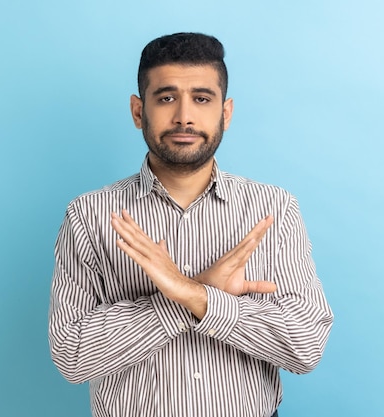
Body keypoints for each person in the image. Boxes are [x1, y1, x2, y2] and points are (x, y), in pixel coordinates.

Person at [48, 32, 333, 417]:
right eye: (166, 98)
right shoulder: (89, 215)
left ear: (225, 113)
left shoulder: (274, 208)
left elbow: (306, 346)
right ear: (138, 111)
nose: (184, 116)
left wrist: (193, 294)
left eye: (201, 98)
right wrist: (189, 299)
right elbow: (73, 353)